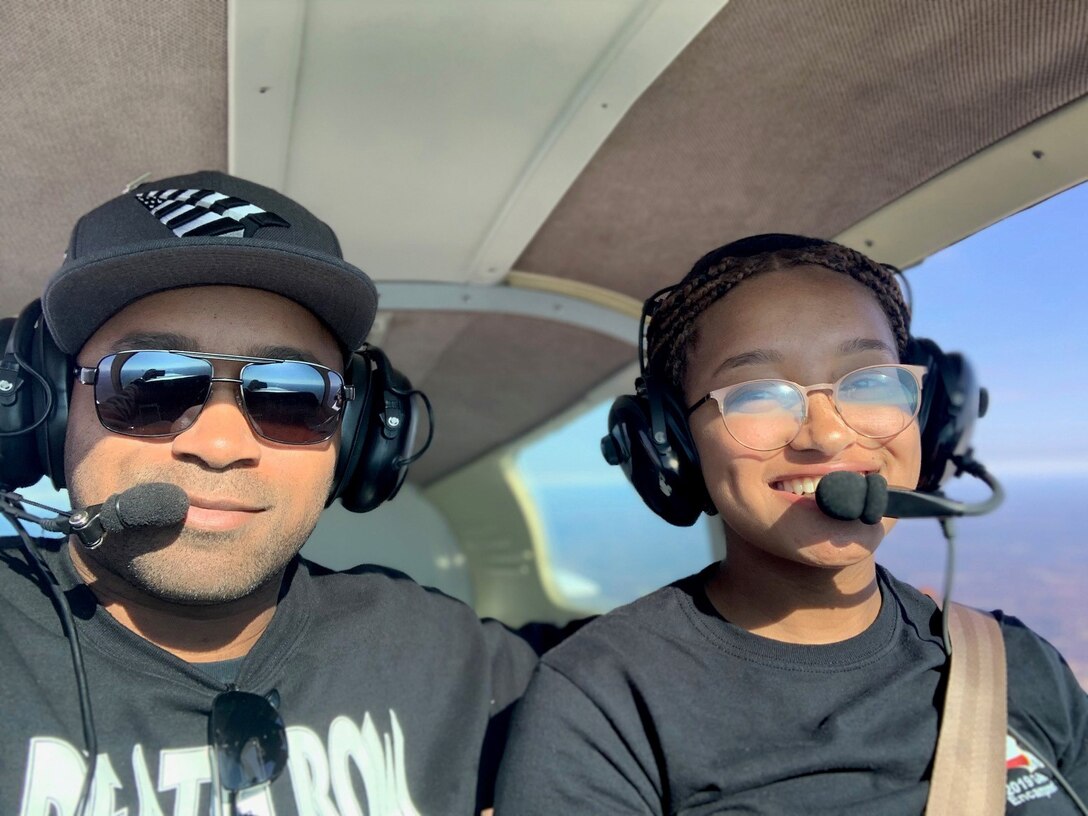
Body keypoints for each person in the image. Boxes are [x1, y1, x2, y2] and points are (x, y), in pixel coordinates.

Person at [0, 171, 540, 814]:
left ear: (360, 433)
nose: (221, 444)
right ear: (50, 407)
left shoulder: (447, 655)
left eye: (292, 395)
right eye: (150, 383)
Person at [494, 235, 1088, 814]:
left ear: (928, 421)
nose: (828, 433)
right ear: (672, 446)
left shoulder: (1011, 661)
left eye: (871, 381)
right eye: (756, 394)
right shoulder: (605, 697)